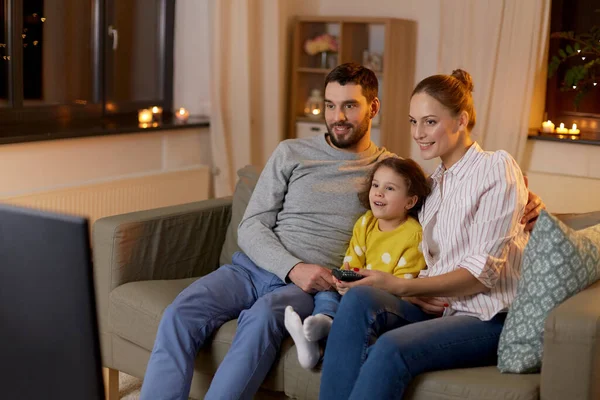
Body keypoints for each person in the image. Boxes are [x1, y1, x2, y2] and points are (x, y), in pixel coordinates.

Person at [140, 64, 544, 400]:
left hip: (320, 285)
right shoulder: (292, 153)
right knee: (181, 312)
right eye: (330, 106)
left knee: (270, 317)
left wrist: (528, 199)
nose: (337, 116)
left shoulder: (392, 170)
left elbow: (466, 199)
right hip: (255, 267)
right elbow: (251, 225)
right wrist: (292, 265)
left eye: (349, 105)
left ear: (373, 108)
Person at [319, 69, 533, 400]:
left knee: (389, 347)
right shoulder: (431, 185)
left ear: (461, 121)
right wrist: (412, 290)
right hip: (436, 308)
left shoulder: (496, 167)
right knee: (361, 298)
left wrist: (403, 286)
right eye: (412, 121)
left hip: (486, 318)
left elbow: (482, 274)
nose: (418, 133)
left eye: (429, 122)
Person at [284, 156, 430, 369]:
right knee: (327, 291)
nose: (379, 193)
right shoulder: (366, 222)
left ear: (410, 201)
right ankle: (321, 328)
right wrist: (344, 280)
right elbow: (352, 262)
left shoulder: (413, 235)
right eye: (376, 185)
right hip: (357, 292)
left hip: (388, 303)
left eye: (390, 188)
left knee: (358, 304)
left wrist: (359, 288)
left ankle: (324, 335)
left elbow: (402, 286)